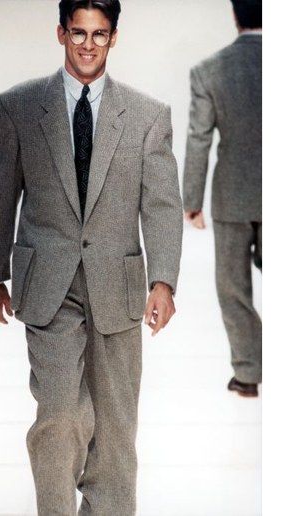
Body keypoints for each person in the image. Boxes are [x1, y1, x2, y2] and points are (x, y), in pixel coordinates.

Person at [0, 0, 183, 513]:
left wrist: (163, 281)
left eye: (98, 34)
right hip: (48, 283)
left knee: (115, 427)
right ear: (61, 33)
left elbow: (161, 204)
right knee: (59, 415)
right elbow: (1, 194)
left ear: (113, 37)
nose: (88, 44)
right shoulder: (19, 106)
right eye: (78, 32)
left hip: (118, 283)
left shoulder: (147, 115)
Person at [183, 0, 262, 397]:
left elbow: (199, 138)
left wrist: (191, 199)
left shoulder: (209, 70)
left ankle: (248, 373)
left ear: (235, 15)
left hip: (232, 195)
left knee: (233, 288)